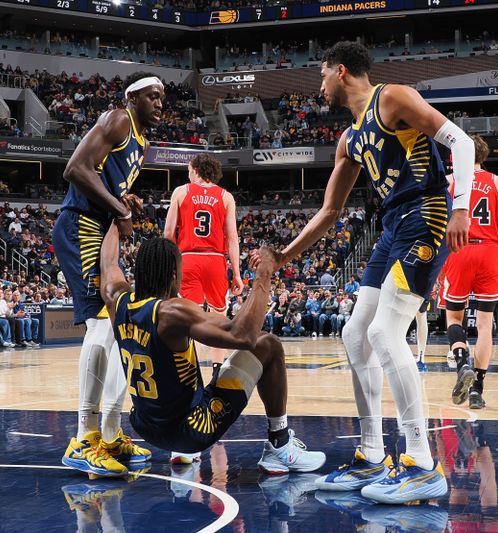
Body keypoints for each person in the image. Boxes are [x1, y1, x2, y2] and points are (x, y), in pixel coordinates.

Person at [262, 41, 473, 504]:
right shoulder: (349, 139)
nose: (318, 87)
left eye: (321, 77)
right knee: (355, 334)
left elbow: (461, 140)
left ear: (341, 72)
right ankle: (372, 453)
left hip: (429, 213)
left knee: (384, 334)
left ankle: (421, 461)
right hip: (393, 225)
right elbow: (330, 210)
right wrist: (284, 255)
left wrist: (461, 208)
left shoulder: (392, 97)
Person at [98, 224, 326, 473]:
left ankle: (182, 450)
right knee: (267, 344)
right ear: (174, 274)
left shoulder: (115, 299)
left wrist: (117, 219)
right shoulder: (172, 312)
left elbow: (109, 263)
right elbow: (243, 335)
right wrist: (264, 273)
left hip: (145, 427)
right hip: (191, 431)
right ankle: (279, 445)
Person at [55, 72, 162, 476]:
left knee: (119, 326)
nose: (159, 103)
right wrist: (119, 208)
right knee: (102, 326)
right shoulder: (118, 119)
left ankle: (112, 433)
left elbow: (102, 178)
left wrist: (122, 198)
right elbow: (75, 168)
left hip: (100, 228)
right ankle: (84, 437)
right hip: (80, 224)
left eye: (162, 98)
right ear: (132, 97)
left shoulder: (143, 143)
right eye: (152, 96)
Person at [162, 155, 243, 466]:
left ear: (195, 171)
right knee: (219, 322)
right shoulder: (226, 196)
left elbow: (169, 234)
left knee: (189, 323)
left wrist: (169, 267)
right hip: (214, 259)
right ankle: (217, 378)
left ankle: (191, 381)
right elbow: (233, 237)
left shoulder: (181, 192)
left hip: (188, 259)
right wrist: (235, 272)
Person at [441, 136, 498, 409]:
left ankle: (461, 364)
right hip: (489, 252)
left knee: (453, 318)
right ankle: (477, 392)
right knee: (485, 325)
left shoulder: (449, 181)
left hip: (458, 250)